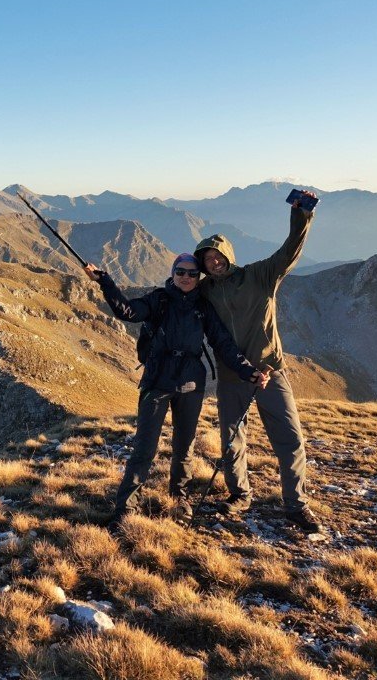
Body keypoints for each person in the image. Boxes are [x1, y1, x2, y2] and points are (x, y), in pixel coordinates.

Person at [85, 254, 268, 528]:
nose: (186, 277)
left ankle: (179, 498)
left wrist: (248, 371)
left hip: (191, 383)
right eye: (181, 272)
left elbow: (223, 344)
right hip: (157, 380)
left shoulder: (203, 308)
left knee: (184, 447)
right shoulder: (159, 300)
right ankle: (126, 507)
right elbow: (127, 311)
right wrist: (105, 282)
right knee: (144, 447)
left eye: (193, 273)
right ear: (172, 273)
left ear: (199, 278)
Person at [193, 189, 321, 532]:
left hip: (269, 372)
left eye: (217, 256)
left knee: (290, 439)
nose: (213, 262)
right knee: (232, 439)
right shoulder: (205, 291)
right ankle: (239, 495)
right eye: (207, 259)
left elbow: (290, 250)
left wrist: (301, 214)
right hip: (233, 375)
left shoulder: (260, 275)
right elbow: (176, 294)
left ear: (227, 255)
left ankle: (296, 504)